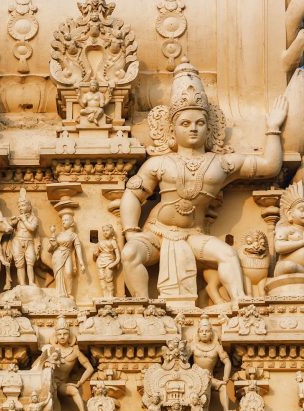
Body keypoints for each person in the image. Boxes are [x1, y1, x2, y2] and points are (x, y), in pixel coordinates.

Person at [119, 63, 287, 301]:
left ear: (209, 127)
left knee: (227, 254)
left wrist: (273, 128)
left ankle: (240, 301)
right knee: (130, 254)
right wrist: (130, 231)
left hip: (193, 234)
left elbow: (270, 165)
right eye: (185, 124)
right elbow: (133, 195)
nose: (193, 129)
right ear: (171, 129)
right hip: (157, 233)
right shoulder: (160, 163)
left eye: (200, 123)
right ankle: (141, 304)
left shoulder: (222, 164)